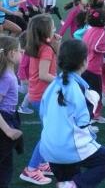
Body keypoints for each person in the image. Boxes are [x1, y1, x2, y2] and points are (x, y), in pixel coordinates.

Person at [39, 40, 105, 187]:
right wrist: (93, 101)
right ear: (84, 62)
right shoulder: (76, 88)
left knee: (68, 181)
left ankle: (71, 185)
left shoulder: (53, 85)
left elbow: (42, 114)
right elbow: (83, 121)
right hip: (69, 147)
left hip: (48, 148)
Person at [20, 14, 60, 185]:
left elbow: (50, 65)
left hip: (39, 95)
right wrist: (63, 80)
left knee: (48, 131)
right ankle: (31, 169)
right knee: (48, 135)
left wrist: (55, 44)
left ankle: (42, 164)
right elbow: (44, 75)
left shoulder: (41, 46)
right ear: (45, 31)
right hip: (44, 97)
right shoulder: (45, 48)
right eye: (52, 26)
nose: (55, 28)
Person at [0, 36, 24, 188]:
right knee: (4, 165)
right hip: (4, 121)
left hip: (10, 116)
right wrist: (7, 129)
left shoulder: (9, 74)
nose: (22, 52)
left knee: (6, 163)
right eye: (19, 50)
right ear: (11, 54)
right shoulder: (6, 77)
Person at [82, 7, 105, 123]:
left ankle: (89, 118)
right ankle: (88, 121)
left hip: (85, 66)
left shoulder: (89, 30)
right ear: (103, 20)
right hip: (93, 69)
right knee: (95, 97)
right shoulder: (102, 33)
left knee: (87, 95)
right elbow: (97, 47)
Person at [16, 33, 33, 115]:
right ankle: (23, 107)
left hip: (26, 76)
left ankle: (12, 86)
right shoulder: (28, 53)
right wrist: (24, 79)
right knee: (32, 91)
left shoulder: (28, 51)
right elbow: (22, 67)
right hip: (25, 76)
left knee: (24, 90)